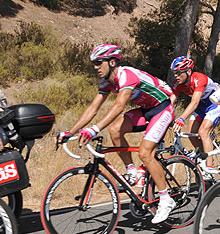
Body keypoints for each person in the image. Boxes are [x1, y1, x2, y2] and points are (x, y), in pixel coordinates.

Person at [56, 44, 176, 223]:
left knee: (145, 153)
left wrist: (94, 129)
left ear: (112, 62)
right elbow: (93, 108)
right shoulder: (106, 82)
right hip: (145, 109)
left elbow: (119, 105)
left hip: (162, 108)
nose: (95, 67)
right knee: (114, 130)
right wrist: (70, 131)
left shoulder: (126, 75)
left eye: (99, 62)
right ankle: (132, 172)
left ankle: (166, 199)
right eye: (93, 64)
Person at [169, 56, 220, 180]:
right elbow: (170, 101)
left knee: (203, 132)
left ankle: (209, 169)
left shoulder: (199, 78)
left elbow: (194, 102)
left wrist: (181, 118)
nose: (176, 76)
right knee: (191, 133)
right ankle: (203, 156)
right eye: (174, 73)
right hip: (201, 106)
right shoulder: (178, 84)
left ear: (188, 71)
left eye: (178, 73)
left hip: (215, 105)